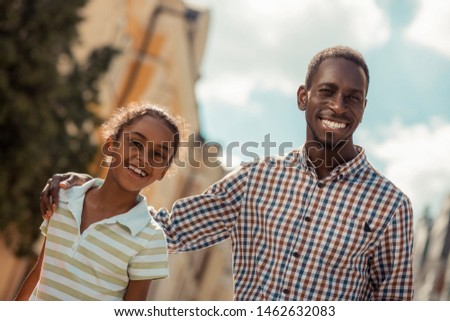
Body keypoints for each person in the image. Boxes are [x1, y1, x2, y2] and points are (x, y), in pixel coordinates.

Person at [40, 46, 414, 300]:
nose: (337, 105)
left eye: (352, 97)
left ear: (364, 107)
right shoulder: (256, 180)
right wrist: (90, 191)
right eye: (327, 91)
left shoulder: (391, 207)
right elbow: (165, 229)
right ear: (303, 97)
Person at [16, 102, 184, 301]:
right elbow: (39, 272)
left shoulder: (150, 239)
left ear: (162, 171)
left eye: (157, 155)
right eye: (136, 144)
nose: (143, 158)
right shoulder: (63, 199)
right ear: (111, 146)